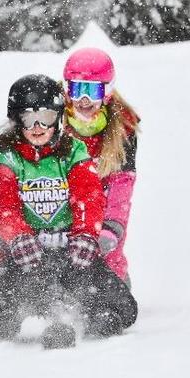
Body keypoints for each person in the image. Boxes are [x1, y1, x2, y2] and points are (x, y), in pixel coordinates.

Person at [0, 74, 138, 343]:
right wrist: (17, 236)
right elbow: (0, 203)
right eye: (29, 119)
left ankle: (84, 314)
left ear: (58, 118)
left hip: (72, 251)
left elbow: (89, 195)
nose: (38, 127)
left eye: (46, 118)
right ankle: (18, 312)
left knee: (119, 308)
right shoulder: (7, 156)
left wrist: (86, 234)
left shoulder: (73, 151)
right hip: (27, 255)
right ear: (16, 120)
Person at [62, 47, 140, 285]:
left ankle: (113, 276)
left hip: (102, 209)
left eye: (92, 91)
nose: (84, 100)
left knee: (104, 254)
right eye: (77, 89)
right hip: (66, 204)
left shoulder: (122, 128)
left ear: (106, 93)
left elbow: (121, 188)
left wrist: (111, 228)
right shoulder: (52, 120)